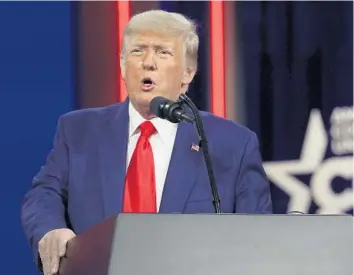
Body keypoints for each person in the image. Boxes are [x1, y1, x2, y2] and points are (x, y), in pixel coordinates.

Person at [21, 9, 272, 275]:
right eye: (138, 51)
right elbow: (43, 194)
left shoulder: (232, 144)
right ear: (122, 65)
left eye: (163, 52)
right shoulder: (79, 130)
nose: (148, 63)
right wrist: (50, 230)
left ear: (188, 73)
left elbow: (257, 238)